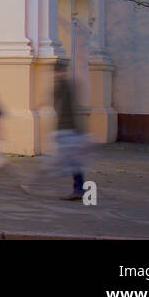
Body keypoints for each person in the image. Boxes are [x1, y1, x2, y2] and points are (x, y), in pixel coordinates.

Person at [52, 58, 88, 201]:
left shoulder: (64, 86)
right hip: (67, 128)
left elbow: (64, 108)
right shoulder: (66, 85)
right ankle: (79, 188)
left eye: (56, 71)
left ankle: (79, 189)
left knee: (71, 161)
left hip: (67, 129)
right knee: (72, 160)